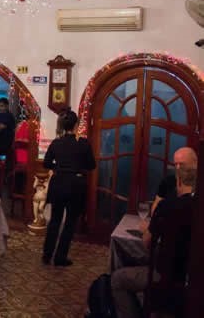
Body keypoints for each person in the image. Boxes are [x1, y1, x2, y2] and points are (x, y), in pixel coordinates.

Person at [111, 166, 196, 318]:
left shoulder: (168, 206)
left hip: (165, 275)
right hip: (192, 278)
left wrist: (146, 229)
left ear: (179, 182)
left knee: (118, 278)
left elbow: (146, 242)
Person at [42, 110, 96, 267]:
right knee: (70, 222)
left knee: (55, 220)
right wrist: (76, 167)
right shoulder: (83, 143)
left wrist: (58, 167)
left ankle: (47, 255)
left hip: (58, 182)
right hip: (75, 184)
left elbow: (46, 163)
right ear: (76, 125)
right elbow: (91, 165)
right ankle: (60, 257)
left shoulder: (56, 143)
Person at [151, 147, 197, 216]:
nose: (178, 167)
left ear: (195, 163)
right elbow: (155, 210)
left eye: (182, 164)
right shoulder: (168, 181)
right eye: (176, 164)